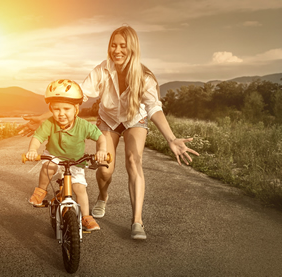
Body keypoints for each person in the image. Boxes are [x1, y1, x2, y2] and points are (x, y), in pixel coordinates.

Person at [19, 26, 199, 239]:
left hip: (134, 119)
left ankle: (137, 221)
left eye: (123, 46)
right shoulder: (102, 70)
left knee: (134, 161)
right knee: (105, 169)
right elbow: (77, 96)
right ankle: (103, 196)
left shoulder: (145, 76)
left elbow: (153, 108)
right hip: (108, 119)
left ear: (132, 48)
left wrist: (171, 138)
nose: (117, 50)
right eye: (113, 45)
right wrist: (42, 119)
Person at [25, 79, 107, 232]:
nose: (61, 113)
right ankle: (40, 191)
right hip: (53, 156)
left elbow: (100, 137)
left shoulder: (83, 125)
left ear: (76, 109)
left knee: (79, 188)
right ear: (51, 109)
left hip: (76, 161)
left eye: (66, 109)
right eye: (56, 109)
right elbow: (37, 138)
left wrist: (102, 151)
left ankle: (86, 217)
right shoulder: (49, 123)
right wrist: (32, 150)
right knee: (49, 167)